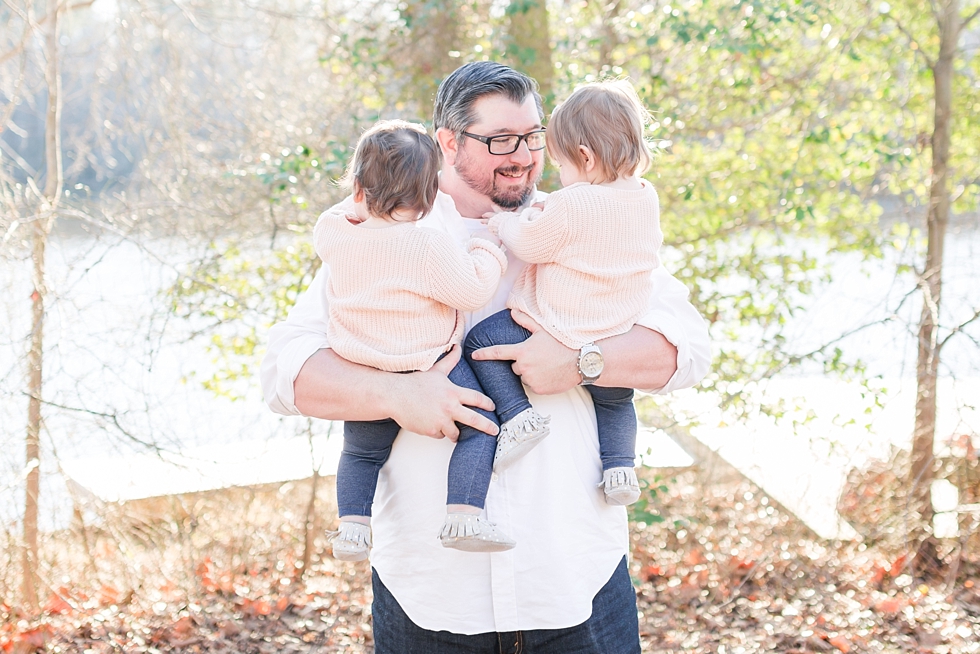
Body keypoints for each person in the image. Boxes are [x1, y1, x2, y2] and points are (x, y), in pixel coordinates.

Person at [261, 61, 710, 653]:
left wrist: (582, 361)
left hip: (576, 581)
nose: (523, 155)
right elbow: (284, 376)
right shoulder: (378, 236)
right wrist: (396, 394)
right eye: (500, 140)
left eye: (531, 137)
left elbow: (687, 352)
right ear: (447, 142)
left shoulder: (580, 220)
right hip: (432, 596)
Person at [312, 119, 515, 561]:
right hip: (426, 362)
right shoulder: (427, 246)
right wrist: (488, 252)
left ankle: (352, 527)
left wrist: (363, 195)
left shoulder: (333, 233)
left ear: (359, 189)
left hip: (366, 365)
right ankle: (463, 514)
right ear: (429, 198)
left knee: (361, 453)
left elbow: (339, 212)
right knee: (481, 429)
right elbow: (472, 291)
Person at [464, 80, 662, 507]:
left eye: (562, 166)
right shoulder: (646, 198)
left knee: (481, 341)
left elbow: (532, 245)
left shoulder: (574, 204)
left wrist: (504, 225)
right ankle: (621, 467)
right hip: (614, 329)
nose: (560, 177)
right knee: (615, 399)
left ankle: (518, 417)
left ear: (586, 158)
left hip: (560, 322)